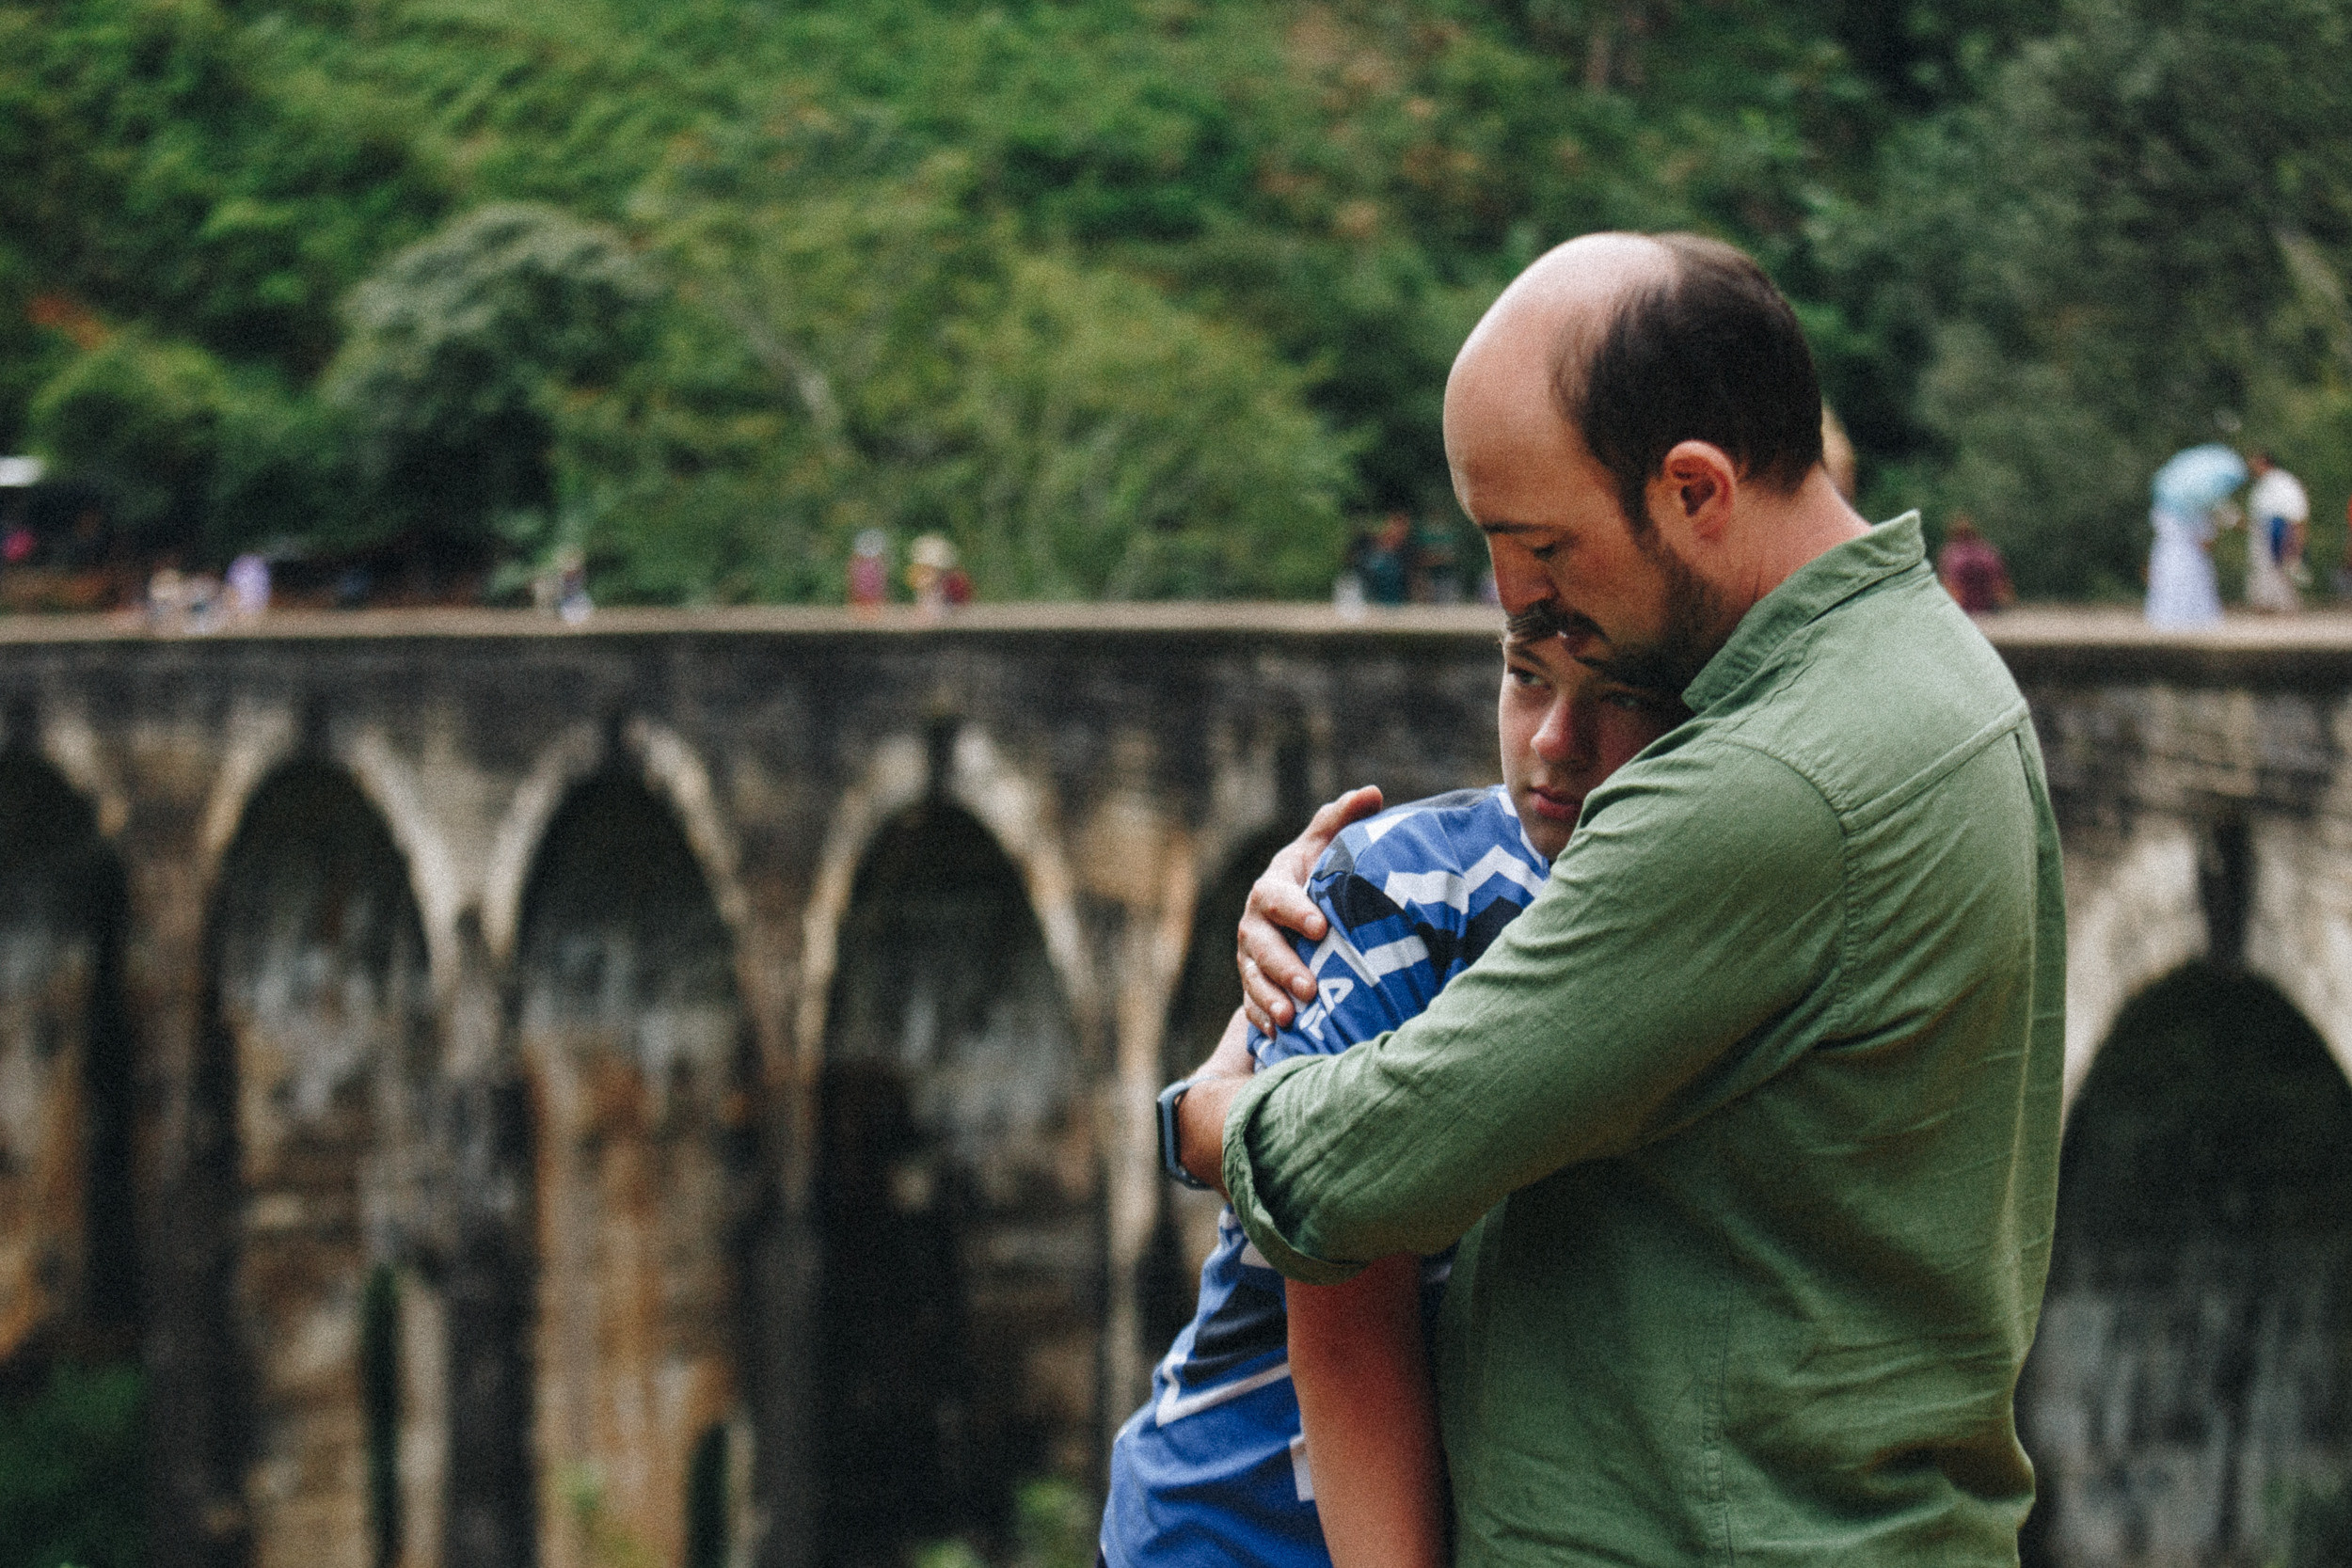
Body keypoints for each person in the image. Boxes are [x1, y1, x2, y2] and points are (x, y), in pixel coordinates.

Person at [1178, 231, 2066, 1566]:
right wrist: (1382, 886)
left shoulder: (1766, 783)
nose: (1519, 603)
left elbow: (1359, 1173)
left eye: (1542, 547)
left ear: (1695, 489)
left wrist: (1209, 1103)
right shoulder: (1930, 676)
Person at [1104, 624, 1681, 1568]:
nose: (1551, 739)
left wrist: (1201, 1110)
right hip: (1229, 1526)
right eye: (1525, 674)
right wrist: (1202, 1107)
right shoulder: (1406, 883)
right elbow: (1343, 1292)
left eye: (1621, 692)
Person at [2245, 451, 2310, 614]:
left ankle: (2285, 607)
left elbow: (2296, 513)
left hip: (2278, 531)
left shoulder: (2283, 482)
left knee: (2280, 569)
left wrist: (2295, 540)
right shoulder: (2262, 485)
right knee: (2262, 569)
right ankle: (2265, 604)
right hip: (2262, 531)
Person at [1936, 514, 2014, 613]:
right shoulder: (1986, 551)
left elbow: (1947, 582)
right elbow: (1999, 582)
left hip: (1965, 606)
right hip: (1987, 606)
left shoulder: (1950, 554)